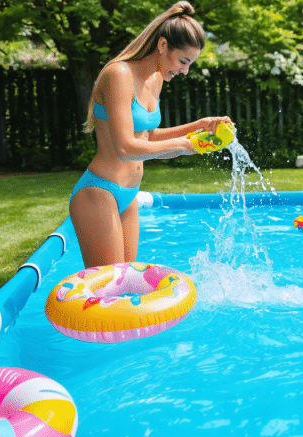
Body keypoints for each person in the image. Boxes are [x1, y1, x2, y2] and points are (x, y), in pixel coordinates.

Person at [71, 1, 232, 268]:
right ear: (162, 45)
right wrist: (182, 144)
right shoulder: (118, 74)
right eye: (183, 61)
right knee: (109, 286)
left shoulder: (155, 79)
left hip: (128, 193)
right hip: (99, 193)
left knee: (125, 283)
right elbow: (126, 147)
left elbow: (147, 136)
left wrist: (199, 126)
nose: (185, 70)